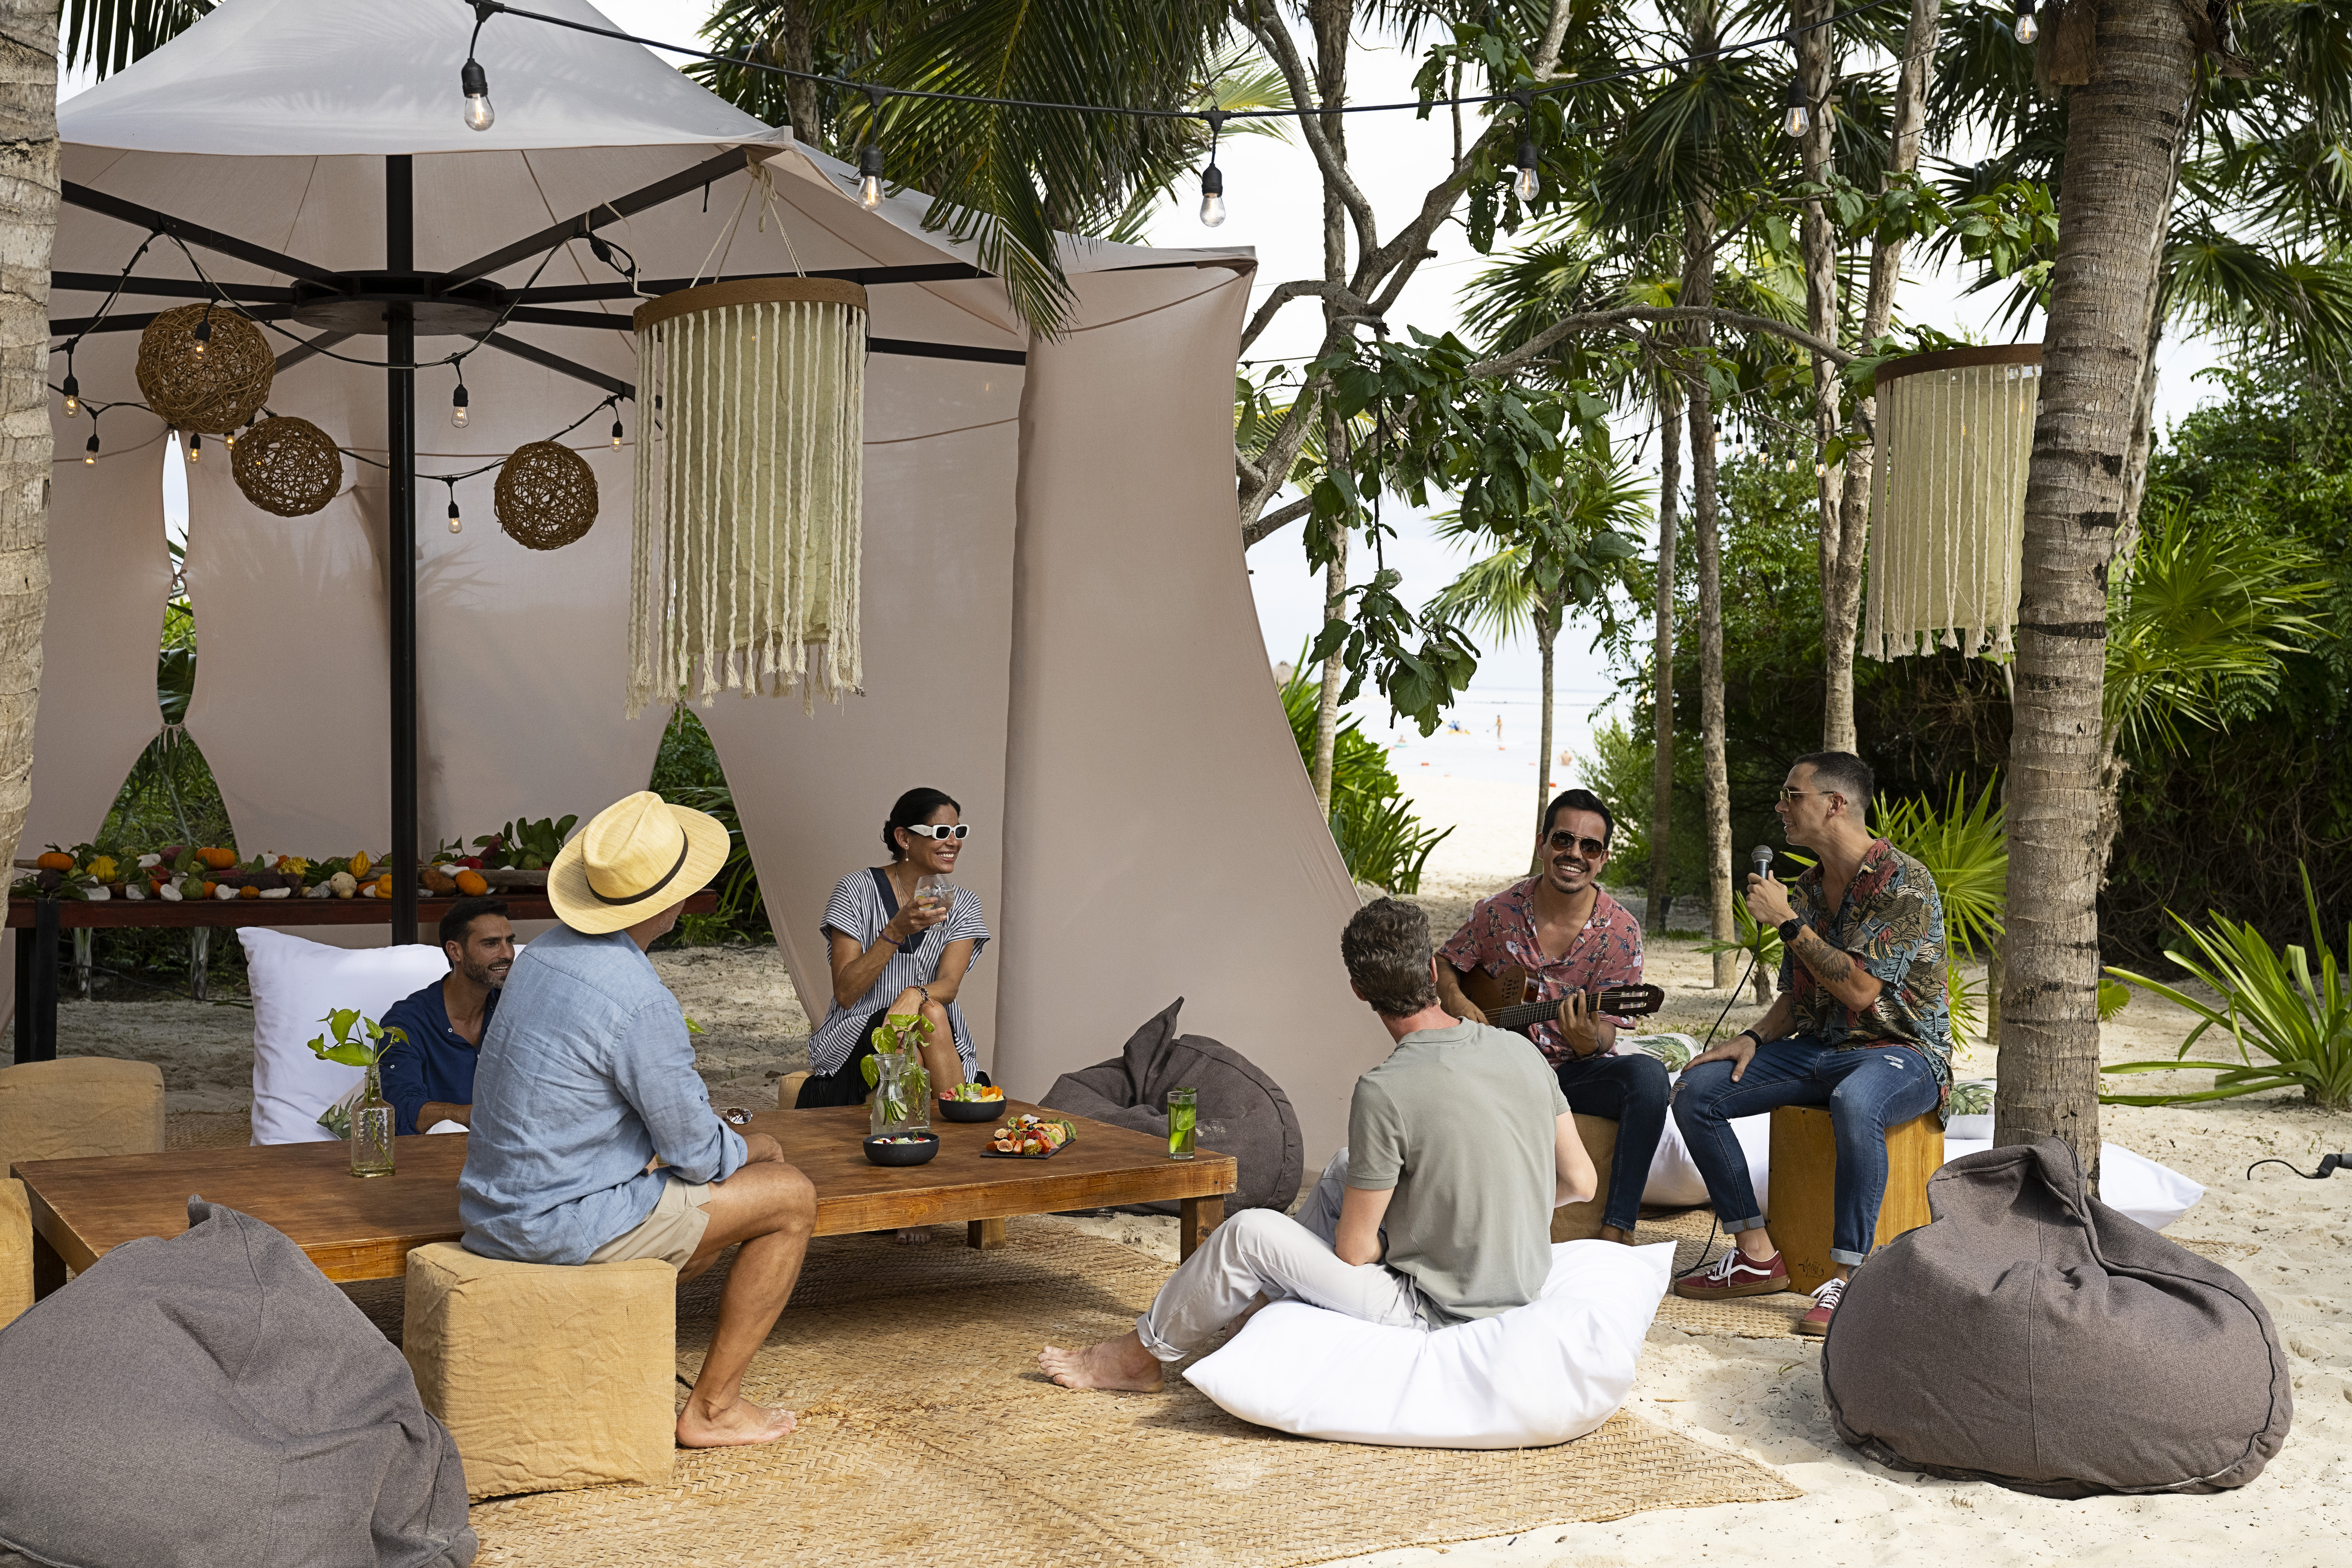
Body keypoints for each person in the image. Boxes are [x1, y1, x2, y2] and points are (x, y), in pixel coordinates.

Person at [1037, 898, 1596, 1392]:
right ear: (1431, 969)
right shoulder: (1518, 1051)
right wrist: (1487, 1219)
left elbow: (1355, 1252)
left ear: (1358, 989)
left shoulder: (1387, 1089)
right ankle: (1257, 1311)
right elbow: (1579, 1182)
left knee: (1248, 1235)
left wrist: (1429, 1229)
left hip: (1438, 1314)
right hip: (1518, 1292)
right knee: (1347, 1169)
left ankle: (1139, 1357)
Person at [459, 791, 818, 1448]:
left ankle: (611, 1350)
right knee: (790, 1193)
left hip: (495, 1205)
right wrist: (755, 1146)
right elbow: (696, 1155)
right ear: (672, 900)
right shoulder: (638, 998)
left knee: (720, 1184)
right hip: (559, 1222)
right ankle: (713, 1409)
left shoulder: (539, 955)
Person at [1669, 751, 1951, 1337]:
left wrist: (1788, 924)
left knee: (1857, 1100)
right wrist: (1750, 1037)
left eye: (1792, 794)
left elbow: (1859, 988)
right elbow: (1799, 999)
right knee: (1698, 1089)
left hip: (1902, 1053)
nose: (1781, 805)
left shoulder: (1905, 881)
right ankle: (1754, 1253)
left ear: (1835, 804)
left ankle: (1849, 1278)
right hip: (1821, 1050)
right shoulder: (1805, 887)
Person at [1433, 788, 1667, 1247]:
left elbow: (1604, 1035)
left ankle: (1617, 1228)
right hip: (1496, 1067)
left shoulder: (1620, 933)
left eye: (1590, 847)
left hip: (1571, 1073)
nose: (1574, 854)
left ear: (1603, 860)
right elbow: (1444, 963)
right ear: (1543, 843)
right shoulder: (1498, 913)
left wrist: (1589, 1042)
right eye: (1564, 840)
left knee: (1649, 1078)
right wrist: (1460, 1004)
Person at [797, 786, 991, 1107]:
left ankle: (933, 1137)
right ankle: (958, 1126)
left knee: (930, 1011)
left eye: (959, 832)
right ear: (904, 838)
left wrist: (914, 994)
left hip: (936, 1027)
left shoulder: (965, 904)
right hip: (862, 1030)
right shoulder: (856, 891)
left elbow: (949, 985)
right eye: (942, 831)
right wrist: (895, 930)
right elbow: (846, 992)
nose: (954, 842)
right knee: (906, 1040)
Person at [378, 896, 513, 1135]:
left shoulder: (515, 1008)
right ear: (455, 951)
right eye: (491, 944)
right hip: (436, 1158)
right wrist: (474, 1116)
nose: (508, 954)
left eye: (509, 941)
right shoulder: (406, 1022)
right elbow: (401, 1110)